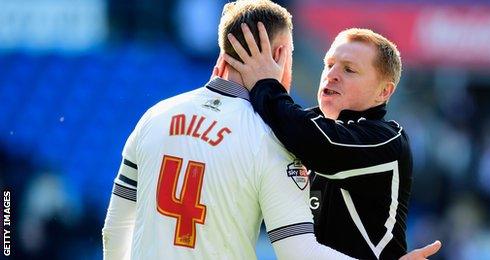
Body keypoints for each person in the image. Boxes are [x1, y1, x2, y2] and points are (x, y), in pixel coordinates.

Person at [101, 1, 363, 259]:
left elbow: (115, 229)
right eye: (290, 53)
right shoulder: (271, 138)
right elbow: (299, 253)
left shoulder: (154, 116)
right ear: (278, 55)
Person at [224, 23, 441, 259]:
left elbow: (320, 145)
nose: (332, 75)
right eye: (328, 65)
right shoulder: (303, 126)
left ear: (384, 92)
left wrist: (266, 83)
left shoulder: (387, 139)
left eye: (349, 70)